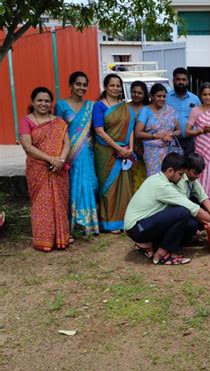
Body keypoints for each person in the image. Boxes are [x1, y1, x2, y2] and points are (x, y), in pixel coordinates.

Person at [124, 153, 210, 265]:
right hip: (137, 228)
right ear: (170, 171)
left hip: (139, 225)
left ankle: (149, 244)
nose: (181, 178)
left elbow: (201, 198)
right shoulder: (163, 186)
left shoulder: (157, 179)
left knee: (186, 216)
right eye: (180, 174)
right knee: (183, 212)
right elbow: (192, 208)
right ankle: (162, 254)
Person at [19, 87, 71, 251]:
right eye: (39, 100)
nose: (43, 103)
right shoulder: (26, 121)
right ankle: (44, 240)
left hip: (59, 170)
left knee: (60, 203)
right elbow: (27, 146)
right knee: (41, 204)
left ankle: (61, 238)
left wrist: (60, 160)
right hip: (38, 169)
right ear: (33, 102)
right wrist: (51, 159)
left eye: (47, 101)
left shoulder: (59, 122)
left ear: (51, 103)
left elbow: (66, 143)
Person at [55, 71, 99, 236]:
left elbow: (96, 129)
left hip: (87, 152)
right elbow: (57, 131)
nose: (82, 87)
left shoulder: (91, 105)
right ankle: (74, 223)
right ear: (70, 85)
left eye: (84, 85)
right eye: (78, 84)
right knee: (72, 184)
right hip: (69, 153)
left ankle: (88, 222)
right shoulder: (61, 105)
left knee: (90, 184)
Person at [92, 73, 135, 233]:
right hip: (106, 151)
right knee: (108, 186)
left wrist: (129, 149)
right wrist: (118, 149)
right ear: (106, 87)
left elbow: (130, 128)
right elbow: (99, 130)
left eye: (118, 85)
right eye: (112, 85)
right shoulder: (99, 106)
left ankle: (124, 220)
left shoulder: (125, 107)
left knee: (123, 185)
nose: (115, 88)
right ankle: (109, 222)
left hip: (124, 152)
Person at [135, 83, 180, 176]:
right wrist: (155, 135)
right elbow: (138, 133)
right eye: (158, 96)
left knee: (169, 177)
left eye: (164, 96)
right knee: (154, 178)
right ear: (152, 96)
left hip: (168, 151)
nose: (162, 99)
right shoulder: (145, 111)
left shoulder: (170, 110)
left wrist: (170, 135)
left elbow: (179, 130)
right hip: (151, 152)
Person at [176, 153, 210, 239]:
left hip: (188, 207)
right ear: (186, 169)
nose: (197, 176)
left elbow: (203, 197)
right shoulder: (179, 180)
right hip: (179, 210)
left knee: (206, 208)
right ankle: (184, 239)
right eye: (195, 173)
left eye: (199, 174)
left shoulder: (192, 178)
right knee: (192, 225)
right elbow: (187, 207)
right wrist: (208, 221)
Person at [166, 67, 201, 156]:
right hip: (170, 141)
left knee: (189, 168)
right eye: (178, 79)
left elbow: (200, 119)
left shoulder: (195, 99)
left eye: (184, 79)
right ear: (173, 80)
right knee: (174, 168)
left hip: (191, 142)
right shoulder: (166, 98)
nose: (181, 82)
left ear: (188, 81)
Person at [128, 81, 149, 192]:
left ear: (144, 94)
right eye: (134, 92)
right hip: (126, 147)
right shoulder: (124, 107)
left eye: (140, 93)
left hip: (145, 146)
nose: (136, 95)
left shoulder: (148, 108)